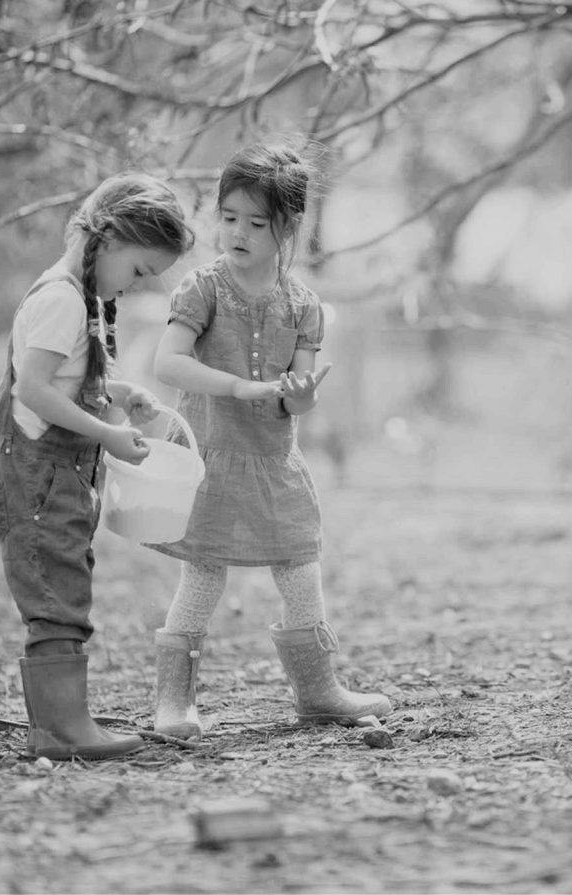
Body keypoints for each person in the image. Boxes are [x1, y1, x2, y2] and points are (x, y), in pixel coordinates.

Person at [147, 141, 390, 739]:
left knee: (300, 568)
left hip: (274, 461)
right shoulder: (203, 289)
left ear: (287, 227)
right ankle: (174, 701)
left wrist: (301, 394)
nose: (239, 232)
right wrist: (239, 388)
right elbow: (168, 364)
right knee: (203, 575)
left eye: (256, 223)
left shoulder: (303, 303)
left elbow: (296, 398)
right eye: (229, 217)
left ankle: (319, 691)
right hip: (210, 457)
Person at [0, 174, 193, 761]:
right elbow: (36, 388)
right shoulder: (59, 301)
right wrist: (108, 434)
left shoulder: (79, 298)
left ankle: (64, 720)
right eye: (140, 271)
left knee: (65, 582)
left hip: (58, 477)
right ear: (112, 237)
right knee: (54, 591)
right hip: (37, 477)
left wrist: (118, 392)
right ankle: (59, 729)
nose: (136, 286)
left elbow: (70, 377)